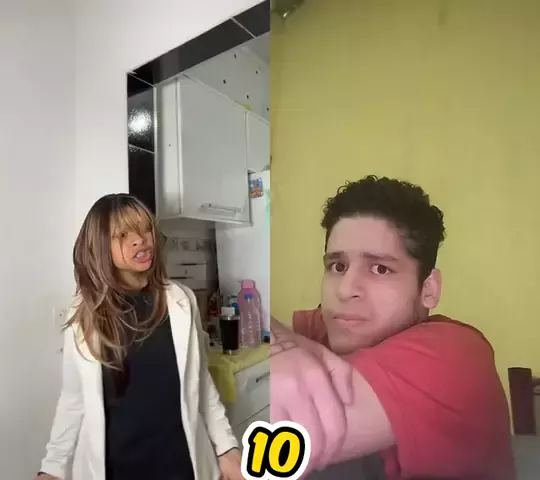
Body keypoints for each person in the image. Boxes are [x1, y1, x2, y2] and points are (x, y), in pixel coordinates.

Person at [270, 176, 515, 480]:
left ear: (429, 289)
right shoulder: (336, 326)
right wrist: (279, 342)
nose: (345, 290)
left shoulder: (456, 356)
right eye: (338, 266)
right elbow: (254, 322)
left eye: (380, 268)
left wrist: (277, 350)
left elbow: (281, 433)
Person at [36, 194, 242, 480]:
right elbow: (73, 400)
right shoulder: (84, 317)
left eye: (145, 229)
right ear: (100, 246)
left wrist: (226, 447)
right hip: (115, 470)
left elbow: (201, 382)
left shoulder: (182, 302)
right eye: (123, 235)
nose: (140, 240)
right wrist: (52, 468)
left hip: (181, 467)